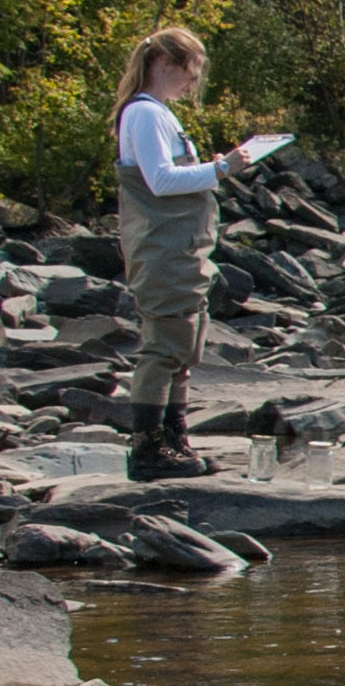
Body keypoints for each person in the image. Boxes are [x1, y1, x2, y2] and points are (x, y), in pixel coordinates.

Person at [107, 26, 263, 484]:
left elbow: (169, 174)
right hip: (162, 247)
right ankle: (148, 449)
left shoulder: (157, 114)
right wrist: (221, 168)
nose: (193, 84)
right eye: (191, 73)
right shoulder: (145, 114)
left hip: (180, 246)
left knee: (183, 347)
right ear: (165, 66)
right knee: (163, 346)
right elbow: (160, 181)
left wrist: (212, 166)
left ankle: (174, 440)